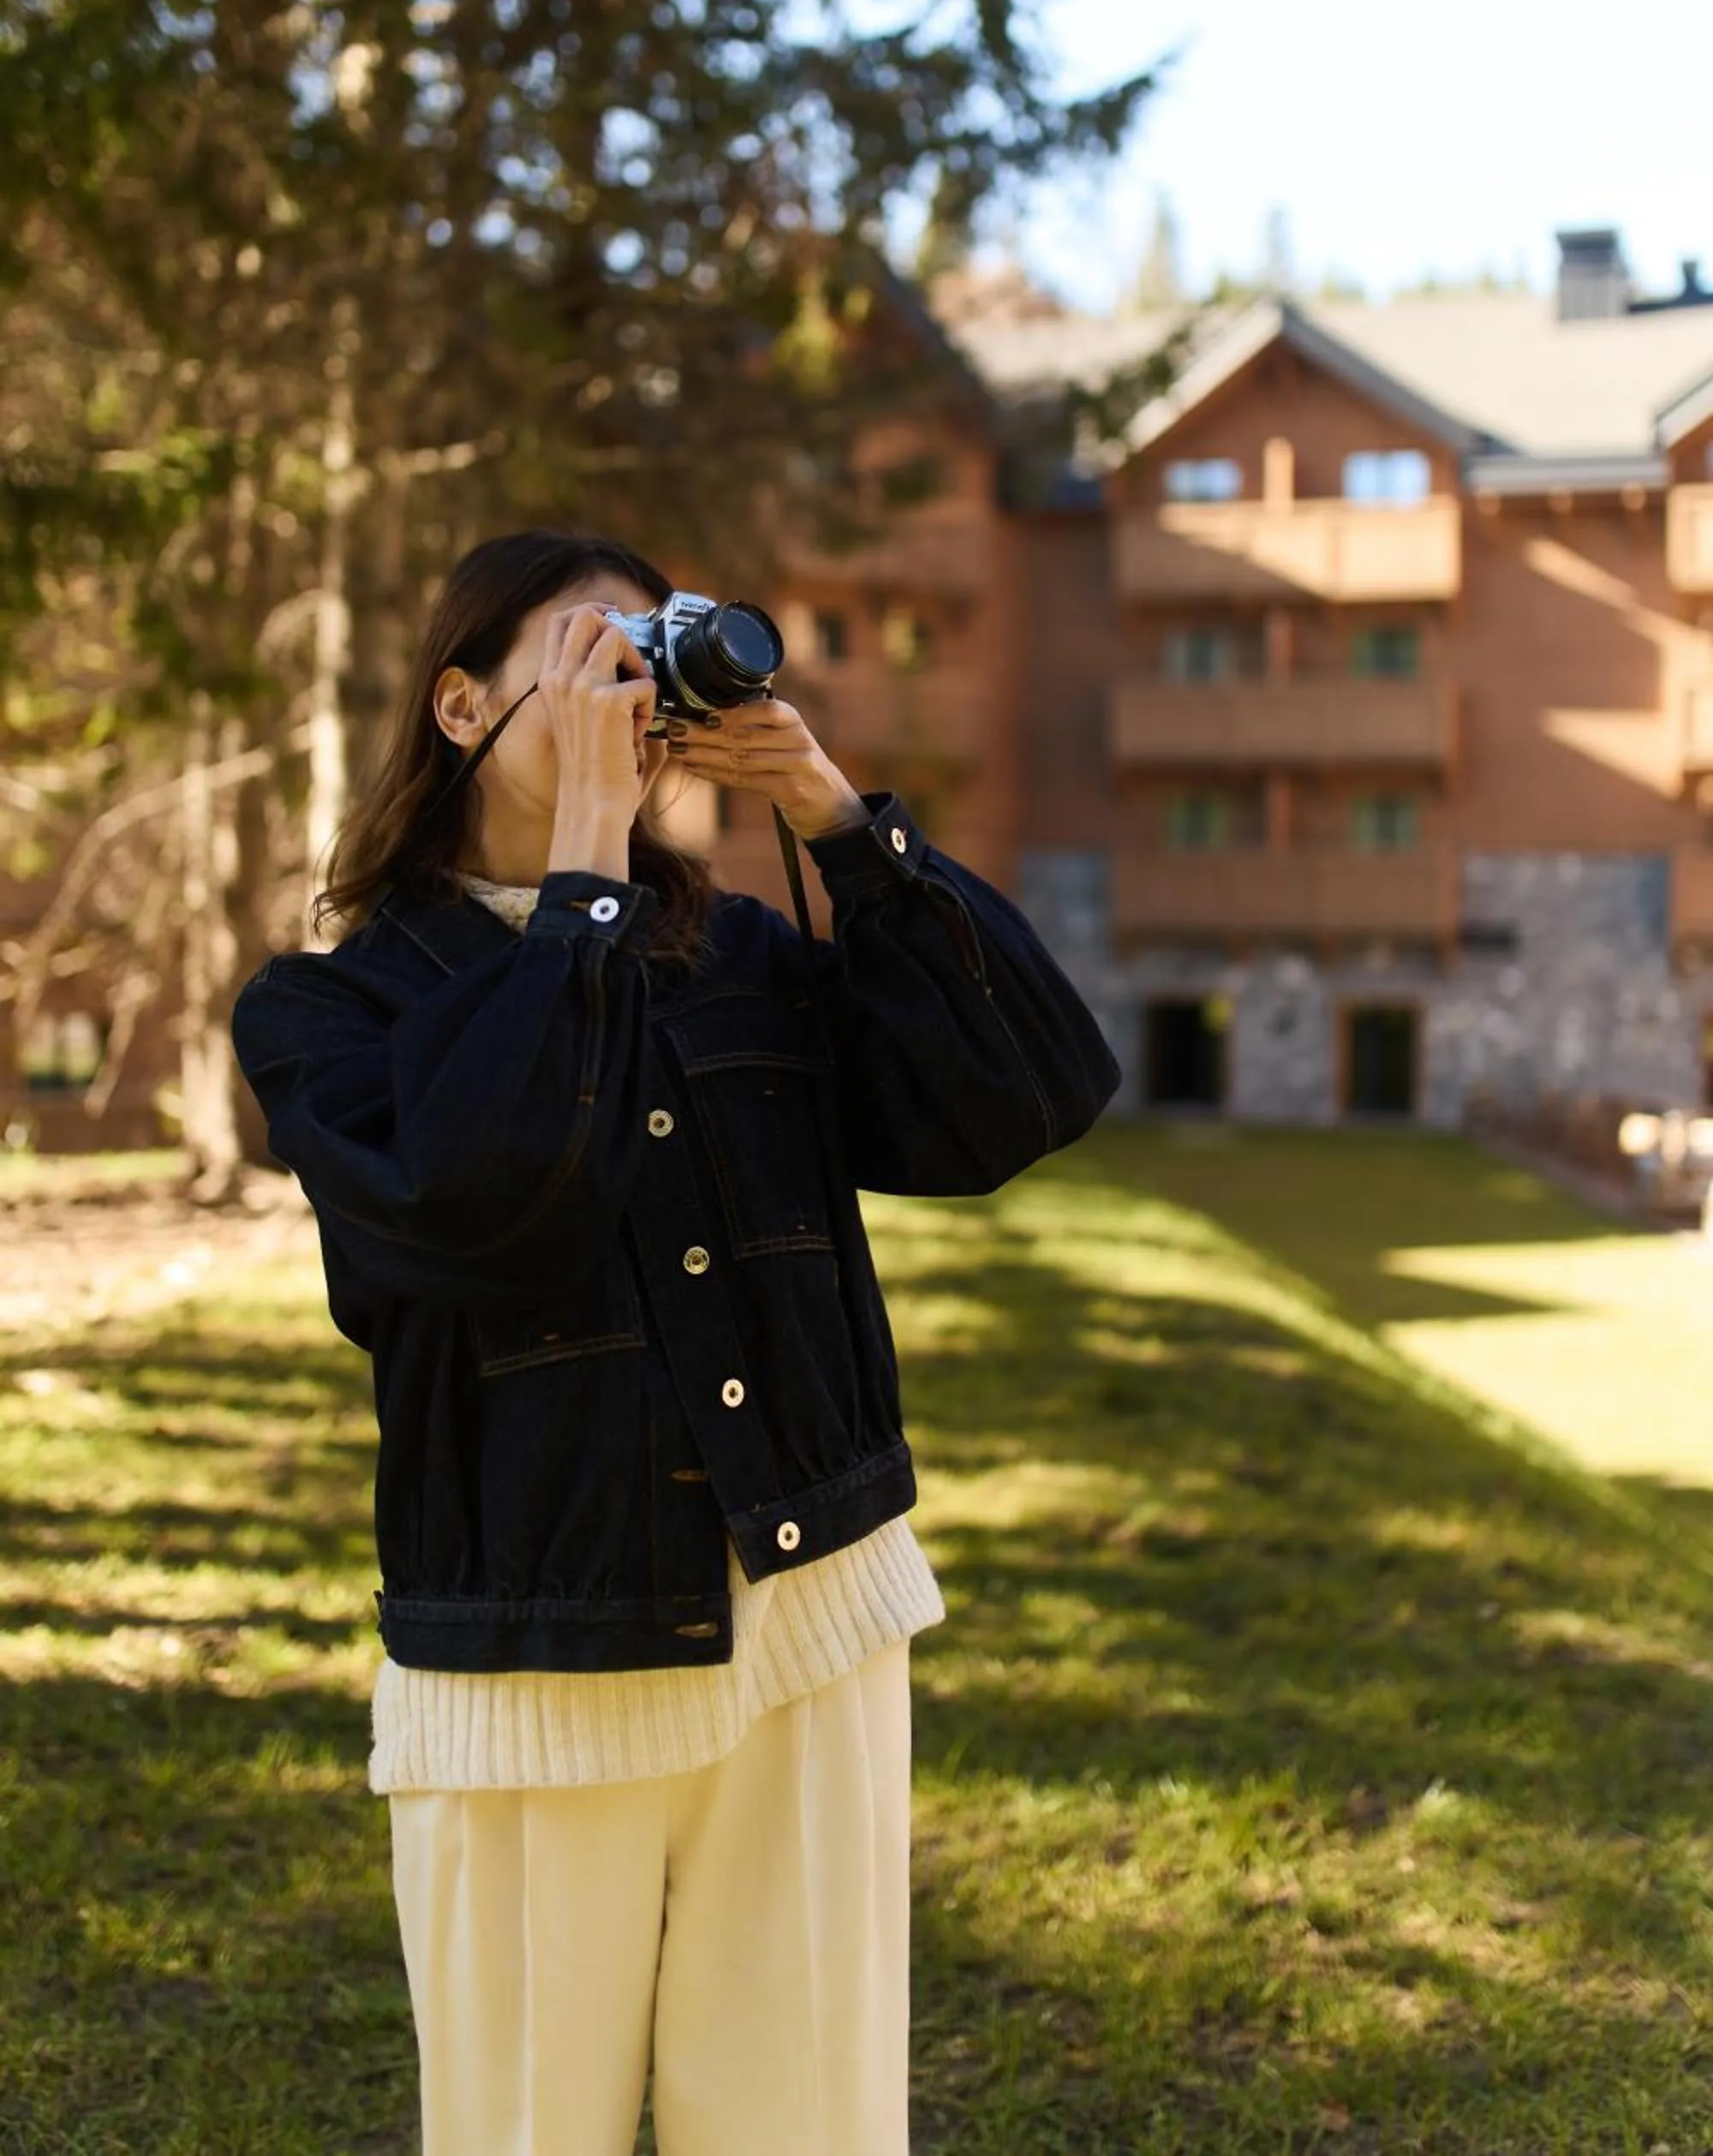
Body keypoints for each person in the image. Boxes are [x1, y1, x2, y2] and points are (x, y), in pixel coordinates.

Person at [231, 529, 1119, 2156]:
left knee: (813, 2130)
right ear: (456, 706)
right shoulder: (327, 1012)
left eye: (649, 663)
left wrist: (842, 825)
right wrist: (580, 868)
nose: (624, 701)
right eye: (583, 663)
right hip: (536, 1666)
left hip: (813, 1630)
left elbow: (1034, 1090)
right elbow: (492, 1197)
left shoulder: (741, 957)